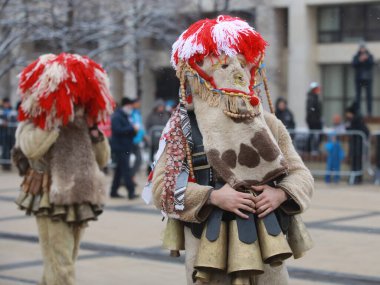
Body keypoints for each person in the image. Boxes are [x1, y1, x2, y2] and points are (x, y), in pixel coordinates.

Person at [144, 15, 314, 285]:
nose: (236, 71)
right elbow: (162, 189)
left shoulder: (270, 123)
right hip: (208, 254)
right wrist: (212, 197)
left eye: (241, 64)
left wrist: (281, 193)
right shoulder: (183, 127)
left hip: (267, 250)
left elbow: (302, 175)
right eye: (223, 64)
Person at [12, 53, 113, 285]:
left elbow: (103, 159)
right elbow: (32, 149)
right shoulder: (33, 120)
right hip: (50, 196)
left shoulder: (84, 123)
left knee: (63, 263)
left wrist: (95, 134)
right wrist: (53, 121)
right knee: (61, 265)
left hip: (80, 195)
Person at [110, 97, 138, 199]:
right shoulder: (117, 116)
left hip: (125, 146)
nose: (131, 107)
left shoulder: (126, 116)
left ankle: (113, 190)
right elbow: (117, 130)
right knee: (126, 170)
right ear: (125, 105)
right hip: (120, 147)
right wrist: (132, 128)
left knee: (119, 170)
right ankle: (131, 191)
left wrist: (134, 131)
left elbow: (127, 130)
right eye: (129, 105)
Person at [345, 103, 370, 184]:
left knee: (356, 162)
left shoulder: (356, 119)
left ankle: (356, 178)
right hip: (356, 144)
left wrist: (347, 127)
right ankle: (356, 178)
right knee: (356, 162)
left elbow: (353, 128)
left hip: (357, 144)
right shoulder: (358, 118)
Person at [352, 44, 374, 116]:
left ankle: (369, 112)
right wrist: (360, 60)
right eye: (361, 48)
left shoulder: (369, 56)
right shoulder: (356, 56)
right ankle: (358, 111)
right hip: (359, 79)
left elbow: (372, 63)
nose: (362, 49)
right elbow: (353, 64)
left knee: (369, 96)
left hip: (368, 79)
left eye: (363, 48)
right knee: (358, 96)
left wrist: (366, 59)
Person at [130, 98, 146, 181]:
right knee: (138, 159)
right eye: (137, 103)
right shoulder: (131, 113)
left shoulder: (137, 113)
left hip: (138, 139)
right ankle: (130, 177)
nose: (139, 104)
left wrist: (144, 135)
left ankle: (130, 177)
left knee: (138, 160)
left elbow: (140, 125)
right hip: (133, 140)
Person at [306, 82, 323, 155]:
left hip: (314, 120)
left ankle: (311, 149)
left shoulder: (314, 97)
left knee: (314, 135)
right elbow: (311, 110)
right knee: (314, 134)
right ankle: (311, 149)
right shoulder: (312, 98)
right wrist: (315, 120)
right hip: (314, 121)